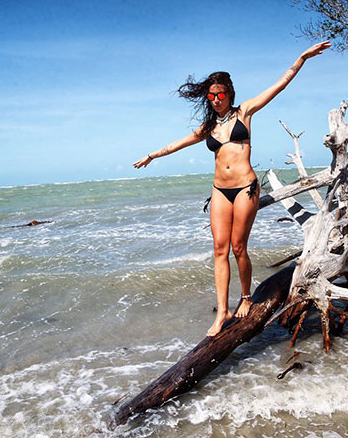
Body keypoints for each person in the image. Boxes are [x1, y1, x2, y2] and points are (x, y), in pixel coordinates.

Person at [133, 41, 331, 336]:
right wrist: (152, 155)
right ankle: (222, 310)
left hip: (244, 189)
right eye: (211, 95)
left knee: (239, 247)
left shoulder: (245, 112)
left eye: (220, 94)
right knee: (219, 249)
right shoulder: (208, 128)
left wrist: (301, 58)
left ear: (229, 94)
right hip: (219, 191)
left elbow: (279, 85)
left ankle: (247, 297)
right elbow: (178, 143)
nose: (215, 99)